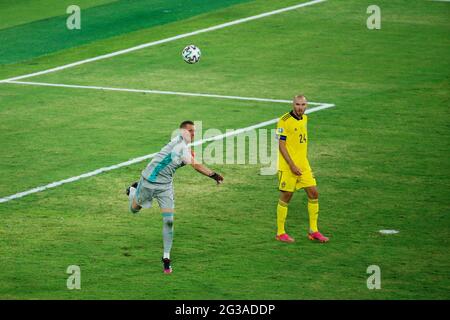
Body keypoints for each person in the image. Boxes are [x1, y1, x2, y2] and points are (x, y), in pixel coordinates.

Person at [126, 120, 224, 273]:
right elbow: (196, 165)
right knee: (134, 209)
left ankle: (166, 257)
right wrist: (214, 175)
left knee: (169, 220)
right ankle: (133, 190)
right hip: (148, 183)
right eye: (190, 131)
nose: (193, 133)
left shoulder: (183, 147)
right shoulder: (179, 146)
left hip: (165, 187)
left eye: (194, 131)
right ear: (182, 132)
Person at [275, 95, 329, 243]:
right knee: (286, 196)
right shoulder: (284, 121)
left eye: (303, 104)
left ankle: (313, 231)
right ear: (293, 104)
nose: (300, 107)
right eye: (298, 104)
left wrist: (300, 163)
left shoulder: (305, 118)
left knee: (314, 193)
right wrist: (292, 165)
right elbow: (281, 145)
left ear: (307, 105)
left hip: (303, 165)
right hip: (288, 167)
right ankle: (280, 233)